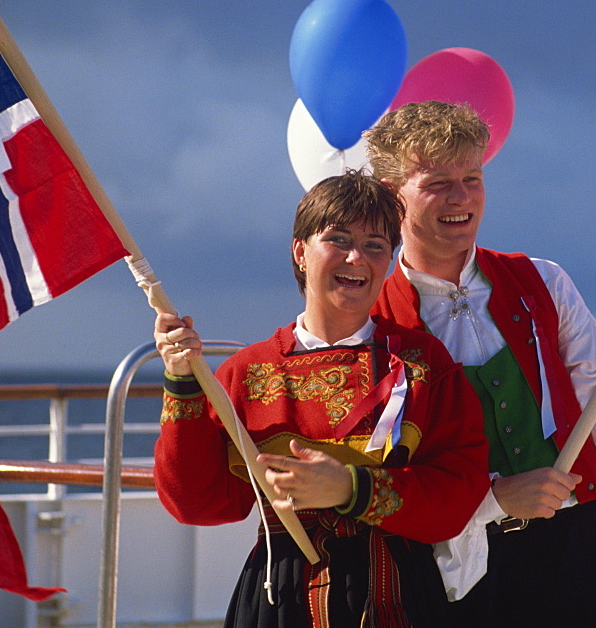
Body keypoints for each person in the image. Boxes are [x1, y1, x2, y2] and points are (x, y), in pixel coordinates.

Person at [365, 101, 596, 626]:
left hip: (586, 557)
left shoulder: (543, 284)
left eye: (473, 177)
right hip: (463, 572)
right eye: (438, 182)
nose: (461, 197)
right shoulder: (375, 325)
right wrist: (493, 499)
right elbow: (387, 488)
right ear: (394, 196)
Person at [152, 169, 490, 627]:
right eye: (338, 239)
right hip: (281, 598)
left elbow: (459, 492)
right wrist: (181, 380)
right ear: (300, 253)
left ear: (389, 260)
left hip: (401, 596)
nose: (357, 257)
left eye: (375, 245)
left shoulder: (423, 362)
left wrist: (352, 489)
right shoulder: (246, 373)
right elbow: (199, 503)